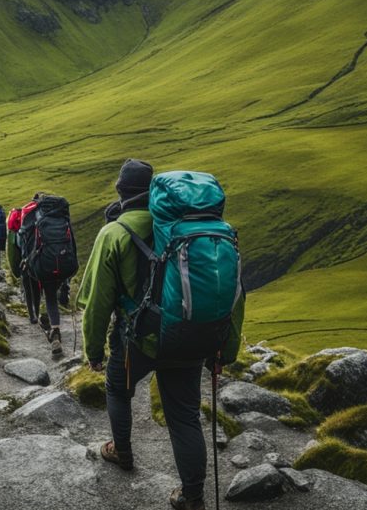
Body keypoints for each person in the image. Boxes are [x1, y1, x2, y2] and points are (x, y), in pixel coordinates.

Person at [77, 159, 244, 510]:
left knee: (117, 389)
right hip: (189, 336)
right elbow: (234, 295)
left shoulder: (115, 233)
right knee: (184, 415)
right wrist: (223, 353)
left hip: (137, 341)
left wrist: (93, 351)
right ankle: (193, 496)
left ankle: (121, 451)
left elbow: (96, 303)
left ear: (121, 192)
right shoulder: (191, 231)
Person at [18, 192, 78, 356]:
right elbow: (71, 240)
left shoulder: (34, 214)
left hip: (44, 263)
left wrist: (26, 260)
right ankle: (53, 322)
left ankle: (54, 329)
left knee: (49, 294)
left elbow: (23, 237)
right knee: (55, 288)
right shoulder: (62, 216)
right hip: (65, 262)